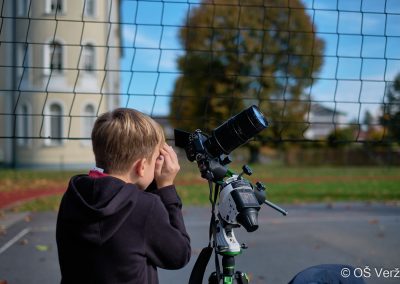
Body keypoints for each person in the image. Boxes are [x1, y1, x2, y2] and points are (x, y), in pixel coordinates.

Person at [56, 108, 191, 284]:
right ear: (141, 166)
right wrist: (166, 187)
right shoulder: (146, 208)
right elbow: (179, 255)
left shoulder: (73, 197)